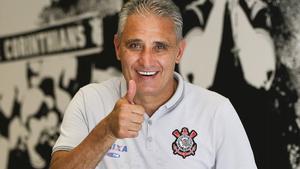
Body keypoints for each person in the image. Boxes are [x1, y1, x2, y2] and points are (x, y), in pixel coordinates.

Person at [50, 0, 257, 168]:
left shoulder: (216, 111)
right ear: (117, 47)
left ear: (179, 52)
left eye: (160, 47)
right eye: (135, 45)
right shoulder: (89, 100)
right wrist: (107, 131)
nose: (146, 60)